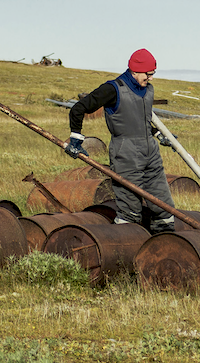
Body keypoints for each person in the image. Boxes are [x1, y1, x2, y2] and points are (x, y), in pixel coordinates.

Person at [66, 49, 176, 233]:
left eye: (153, 73)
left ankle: (164, 243)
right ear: (134, 71)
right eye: (148, 74)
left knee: (164, 208)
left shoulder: (148, 89)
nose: (151, 78)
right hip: (126, 153)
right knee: (130, 210)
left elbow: (140, 120)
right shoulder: (112, 89)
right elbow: (78, 109)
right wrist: (75, 138)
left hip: (151, 152)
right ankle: (124, 244)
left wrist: (158, 134)